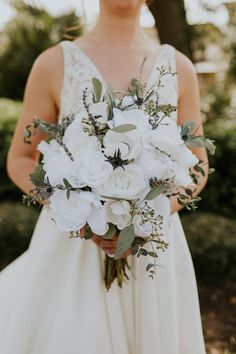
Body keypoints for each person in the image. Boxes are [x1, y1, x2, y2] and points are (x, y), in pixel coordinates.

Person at [0, 0, 208, 353]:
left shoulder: (179, 68)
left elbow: (196, 163)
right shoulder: (54, 63)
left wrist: (144, 220)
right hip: (72, 249)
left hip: (153, 248)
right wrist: (77, 211)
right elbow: (20, 158)